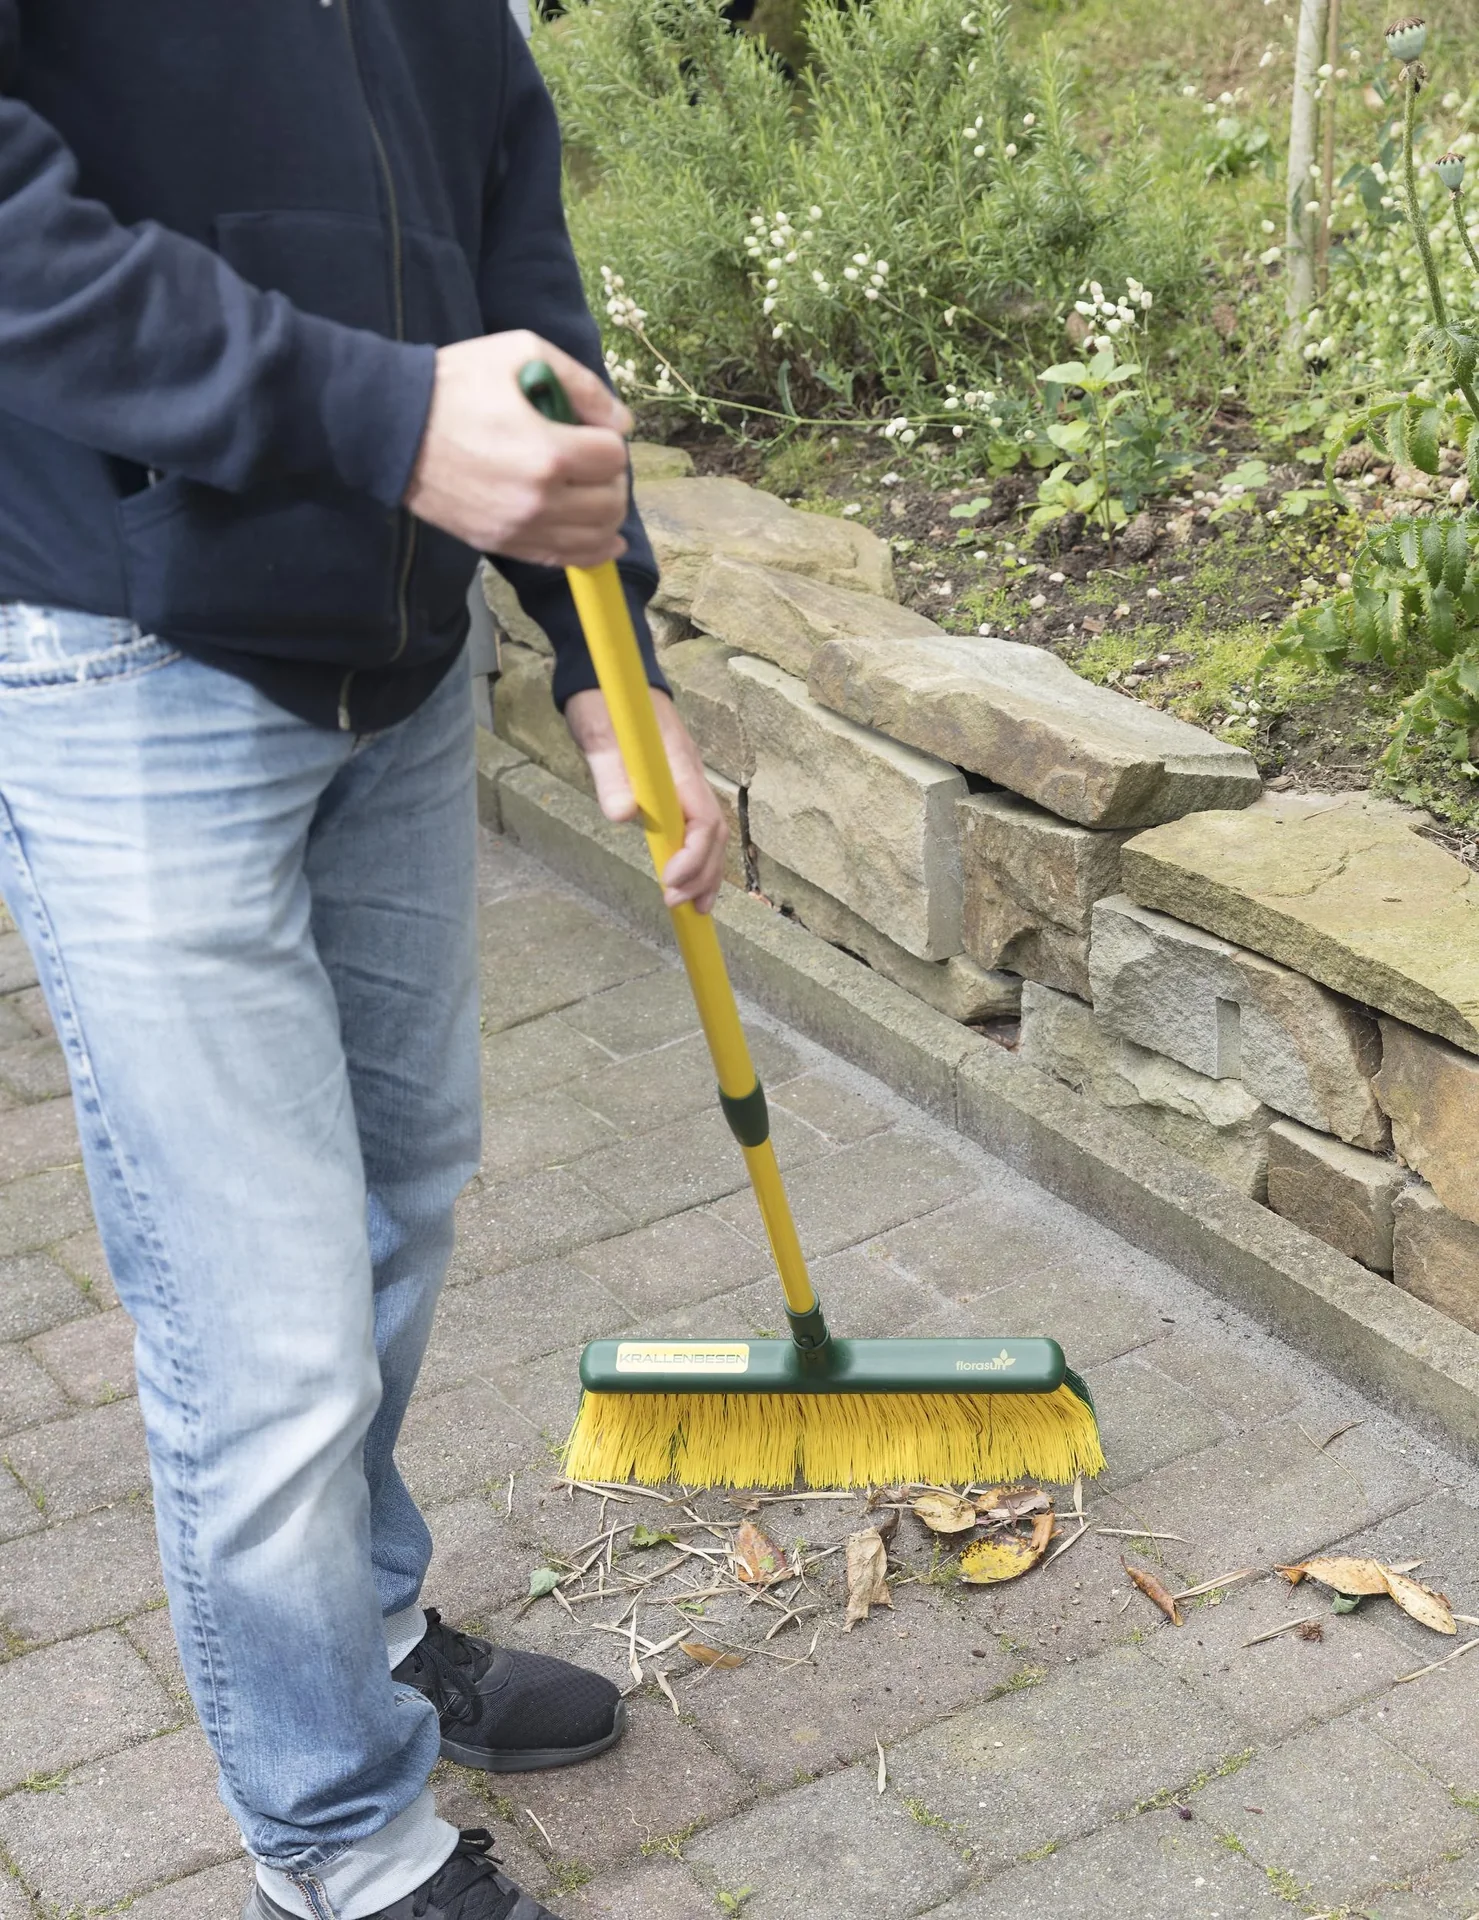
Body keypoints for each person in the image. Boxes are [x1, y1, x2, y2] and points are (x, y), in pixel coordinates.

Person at [0, 5, 727, 1917]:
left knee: (402, 1195)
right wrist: (388, 419)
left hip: (394, 677)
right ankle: (339, 1847)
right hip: (118, 652)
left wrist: (605, 655)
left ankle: (364, 1624)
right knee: (266, 1333)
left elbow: (514, 260)